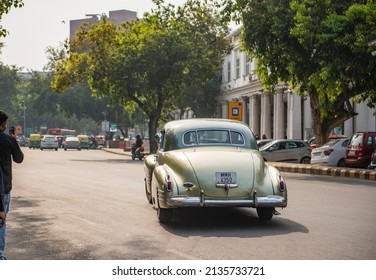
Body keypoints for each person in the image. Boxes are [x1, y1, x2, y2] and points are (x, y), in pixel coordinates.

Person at [0, 110, 24, 260]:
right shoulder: (8, 140)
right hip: (4, 188)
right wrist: (14, 141)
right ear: (3, 125)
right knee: (1, 221)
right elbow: (19, 159)